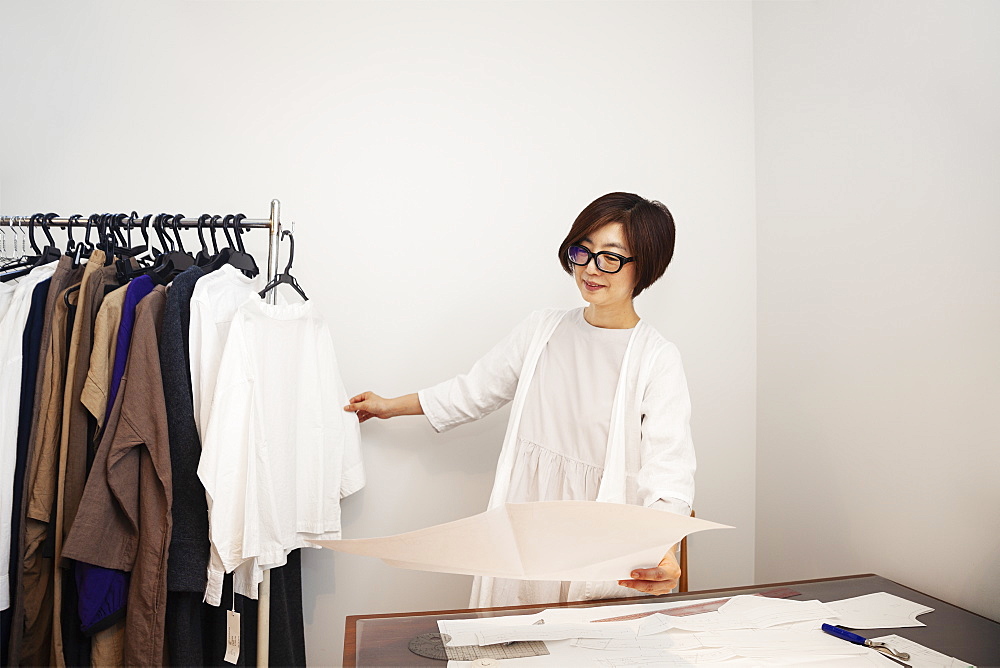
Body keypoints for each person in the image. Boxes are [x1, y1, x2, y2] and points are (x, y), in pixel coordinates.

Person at [344, 192, 695, 608]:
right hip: (525, 527)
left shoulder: (656, 357)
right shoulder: (542, 329)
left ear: (646, 266)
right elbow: (474, 391)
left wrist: (663, 549)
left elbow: (669, 471)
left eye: (611, 257)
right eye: (583, 251)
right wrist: (390, 406)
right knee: (510, 641)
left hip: (601, 538)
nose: (589, 268)